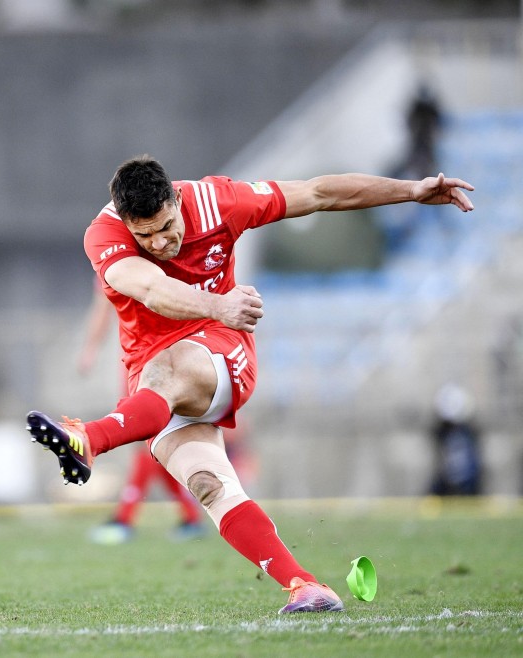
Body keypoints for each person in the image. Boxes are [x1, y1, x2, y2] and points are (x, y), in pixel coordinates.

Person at [26, 155, 474, 614]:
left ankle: (90, 439)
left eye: (166, 225)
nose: (160, 242)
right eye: (145, 235)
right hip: (155, 383)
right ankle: (305, 586)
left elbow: (320, 193)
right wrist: (217, 303)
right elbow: (148, 288)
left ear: (177, 199)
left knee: (168, 369)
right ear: (125, 222)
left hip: (221, 354)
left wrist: (413, 190)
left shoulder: (219, 201)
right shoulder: (103, 234)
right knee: (208, 485)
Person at [77, 278, 207, 545]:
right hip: (137, 359)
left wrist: (90, 350)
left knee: (148, 438)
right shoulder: (117, 255)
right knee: (150, 440)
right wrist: (90, 349)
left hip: (158, 356)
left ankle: (124, 520)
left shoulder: (129, 256)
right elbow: (104, 305)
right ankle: (190, 517)